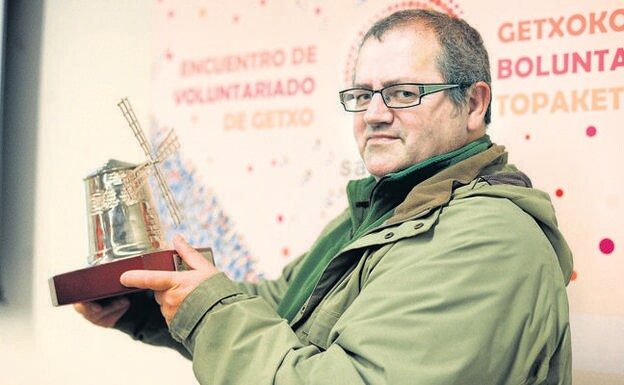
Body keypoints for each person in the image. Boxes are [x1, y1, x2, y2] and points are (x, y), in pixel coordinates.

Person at [75, 9, 573, 384]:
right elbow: (282, 309)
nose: (374, 114)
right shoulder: (382, 210)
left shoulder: (489, 241)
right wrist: (146, 306)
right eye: (361, 95)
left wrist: (208, 310)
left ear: (475, 103)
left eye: (402, 93)